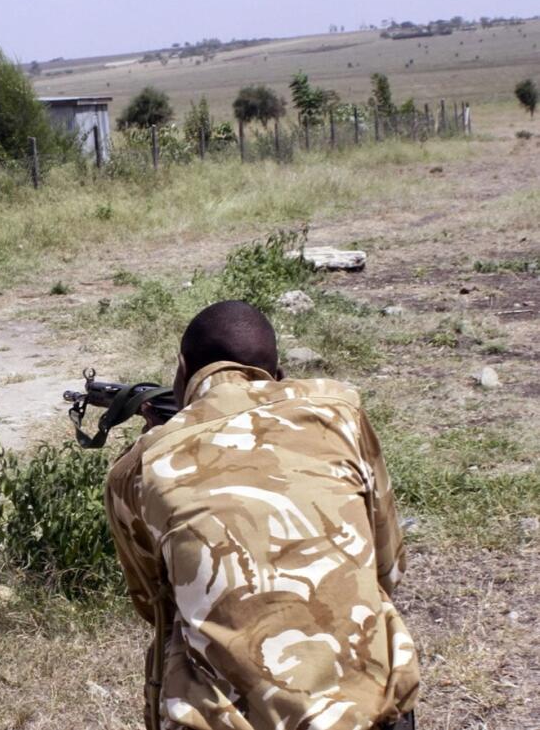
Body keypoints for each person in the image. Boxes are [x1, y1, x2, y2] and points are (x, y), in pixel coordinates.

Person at [104, 300, 419, 730]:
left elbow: (154, 603)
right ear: (279, 374)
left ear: (181, 370)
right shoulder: (340, 410)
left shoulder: (139, 466)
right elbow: (388, 569)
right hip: (370, 713)